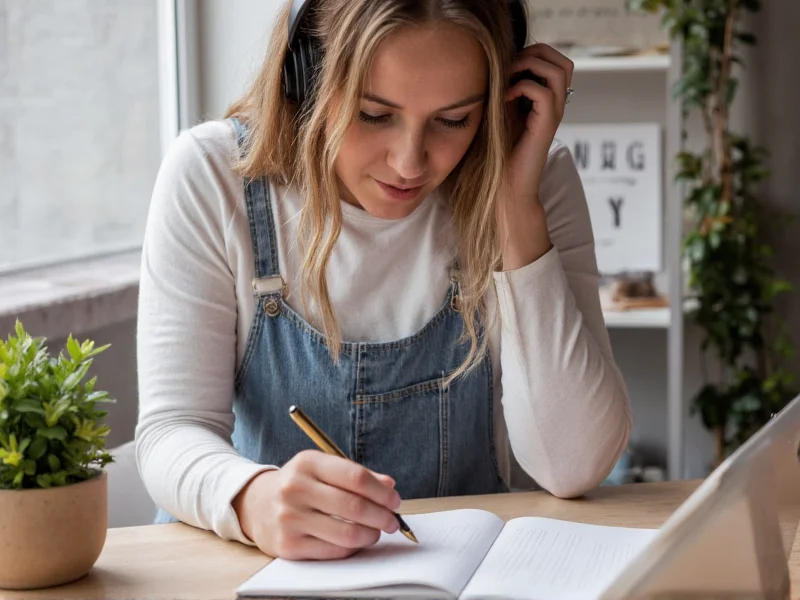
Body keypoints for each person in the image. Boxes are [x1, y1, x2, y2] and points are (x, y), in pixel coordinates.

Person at [135, 0, 632, 561]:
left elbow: (574, 465)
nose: (410, 162)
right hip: (259, 572)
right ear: (306, 79)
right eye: (373, 114)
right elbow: (171, 430)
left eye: (453, 120)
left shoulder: (535, 176)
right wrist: (252, 499)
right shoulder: (214, 175)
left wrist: (515, 209)